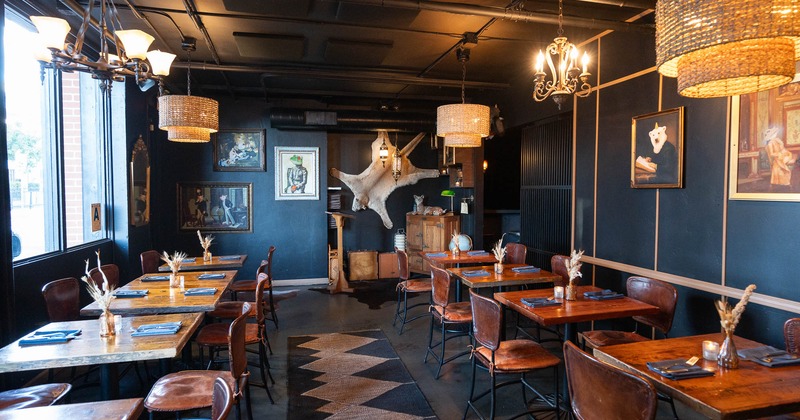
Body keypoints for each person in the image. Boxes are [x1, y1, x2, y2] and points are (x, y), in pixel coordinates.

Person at [764, 127, 795, 192]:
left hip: (780, 156)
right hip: (776, 158)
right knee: (782, 164)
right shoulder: (770, 144)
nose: (776, 135)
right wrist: (780, 154)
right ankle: (784, 181)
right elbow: (772, 154)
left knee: (790, 156)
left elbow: (782, 149)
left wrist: (781, 144)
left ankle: (787, 162)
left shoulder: (776, 141)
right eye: (775, 133)